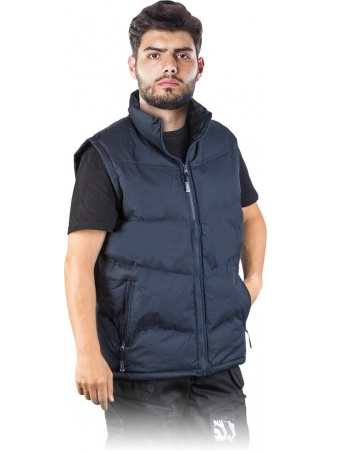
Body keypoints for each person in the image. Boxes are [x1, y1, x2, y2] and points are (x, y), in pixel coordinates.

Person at [64, 1, 267, 450]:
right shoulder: (107, 154)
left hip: (218, 365)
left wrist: (251, 283)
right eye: (155, 54)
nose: (169, 66)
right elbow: (79, 261)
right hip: (141, 373)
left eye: (182, 54)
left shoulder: (221, 144)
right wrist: (87, 353)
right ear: (133, 65)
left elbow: (251, 215)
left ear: (199, 66)